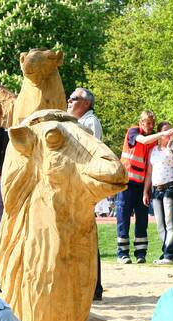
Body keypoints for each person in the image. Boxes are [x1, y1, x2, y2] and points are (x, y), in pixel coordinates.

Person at [117, 111, 173, 264]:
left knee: (142, 220)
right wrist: (162, 132)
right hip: (127, 183)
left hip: (142, 185)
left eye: (152, 123)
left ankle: (140, 253)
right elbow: (142, 140)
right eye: (147, 123)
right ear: (141, 122)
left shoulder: (153, 141)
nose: (150, 126)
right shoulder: (133, 132)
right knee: (123, 218)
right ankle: (122, 253)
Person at [67, 87, 104, 299]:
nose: (69, 101)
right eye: (70, 98)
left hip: (82, 185)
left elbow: (90, 153)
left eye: (74, 98)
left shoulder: (90, 123)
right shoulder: (72, 121)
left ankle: (94, 287)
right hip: (73, 184)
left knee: (86, 234)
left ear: (86, 103)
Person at [143, 121, 173, 264]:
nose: (168, 133)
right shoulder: (153, 150)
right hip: (156, 190)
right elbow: (149, 173)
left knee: (170, 222)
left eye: (170, 131)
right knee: (160, 224)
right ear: (159, 133)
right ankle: (167, 251)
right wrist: (145, 192)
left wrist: (170, 150)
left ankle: (170, 255)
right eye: (165, 131)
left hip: (171, 187)